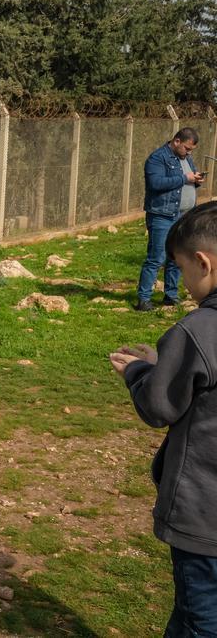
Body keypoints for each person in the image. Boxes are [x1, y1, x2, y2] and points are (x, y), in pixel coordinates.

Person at [110, 202, 217, 636]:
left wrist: (139, 372)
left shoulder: (200, 330)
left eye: (181, 269)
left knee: (201, 620)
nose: (185, 284)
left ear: (202, 262)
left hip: (204, 515)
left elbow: (159, 406)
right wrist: (166, 363)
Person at [135, 127, 206, 311]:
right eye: (187, 148)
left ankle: (170, 295)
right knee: (156, 258)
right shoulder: (157, 158)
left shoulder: (186, 158)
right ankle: (143, 299)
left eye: (191, 150)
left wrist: (195, 181)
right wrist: (185, 178)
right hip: (162, 215)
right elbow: (156, 183)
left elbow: (186, 179)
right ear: (176, 142)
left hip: (183, 216)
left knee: (176, 257)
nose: (189, 153)